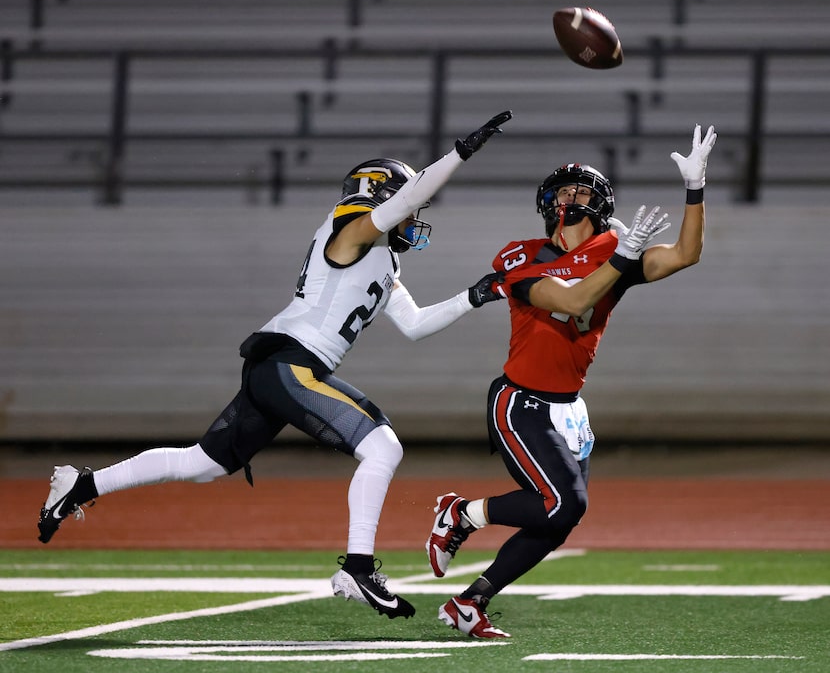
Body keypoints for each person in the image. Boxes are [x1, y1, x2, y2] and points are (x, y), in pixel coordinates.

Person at [37, 109, 514, 620]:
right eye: (402, 204)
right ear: (379, 196)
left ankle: (82, 485)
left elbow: (416, 324)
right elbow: (412, 196)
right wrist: (461, 153)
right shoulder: (348, 229)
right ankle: (357, 566)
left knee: (201, 463)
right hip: (292, 363)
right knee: (382, 446)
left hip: (285, 369)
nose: (412, 220)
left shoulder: (382, 258)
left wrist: (476, 295)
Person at [425, 124, 718, 638]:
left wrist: (694, 189)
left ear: (600, 202)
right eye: (562, 190)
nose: (571, 196)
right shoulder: (522, 256)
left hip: (569, 407)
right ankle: (462, 513)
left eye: (581, 190)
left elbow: (686, 254)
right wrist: (623, 260)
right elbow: (572, 300)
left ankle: (469, 604)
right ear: (545, 201)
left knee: (557, 520)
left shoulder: (615, 249)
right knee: (565, 501)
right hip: (520, 402)